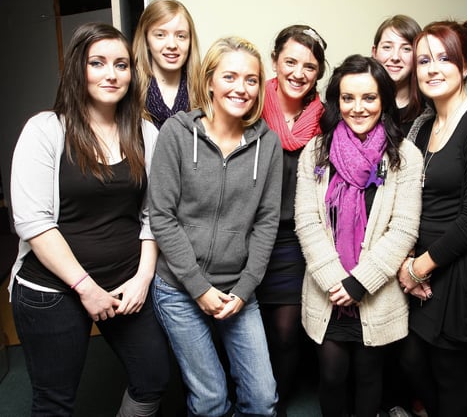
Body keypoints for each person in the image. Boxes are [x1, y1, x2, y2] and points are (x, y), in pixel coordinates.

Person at [9, 22, 170, 416]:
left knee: (153, 379)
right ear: (78, 69)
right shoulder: (46, 130)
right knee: (55, 401)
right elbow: (34, 223)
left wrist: (143, 278)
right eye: (97, 63)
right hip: (53, 291)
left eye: (121, 64)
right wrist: (86, 288)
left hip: (125, 285)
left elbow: (154, 213)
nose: (111, 74)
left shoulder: (145, 132)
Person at [149, 36, 283, 417]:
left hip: (239, 289)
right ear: (209, 81)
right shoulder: (176, 133)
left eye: (252, 79)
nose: (241, 88)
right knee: (209, 402)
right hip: (179, 289)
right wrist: (198, 287)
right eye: (230, 76)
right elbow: (162, 215)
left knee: (262, 401)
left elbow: (266, 221)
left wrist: (244, 289)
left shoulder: (267, 144)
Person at [295, 54, 423, 417]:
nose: (358, 107)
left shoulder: (405, 156)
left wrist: (359, 284)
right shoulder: (316, 152)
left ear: (383, 99)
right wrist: (338, 282)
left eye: (368, 98)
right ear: (336, 100)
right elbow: (307, 221)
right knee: (332, 375)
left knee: (370, 376)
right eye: (348, 98)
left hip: (375, 291)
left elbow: (403, 228)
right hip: (328, 290)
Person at [397, 20, 467, 417]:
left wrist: (419, 268)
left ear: (465, 66)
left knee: (450, 374)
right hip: (423, 265)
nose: (432, 68)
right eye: (424, 59)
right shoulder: (424, 126)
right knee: (410, 360)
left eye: (444, 58)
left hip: (458, 271)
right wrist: (408, 260)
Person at [255, 24, 327, 417]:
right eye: (291, 62)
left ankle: (275, 403)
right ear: (275, 62)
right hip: (247, 235)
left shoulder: (326, 118)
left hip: (295, 238)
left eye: (310, 66)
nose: (299, 73)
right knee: (245, 328)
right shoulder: (250, 104)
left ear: (319, 73)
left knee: (285, 332)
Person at [133, 0, 201, 129]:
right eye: (160, 35)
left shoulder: (204, 90)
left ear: (190, 41)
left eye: (181, 36)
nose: (172, 45)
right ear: (146, 40)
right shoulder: (130, 89)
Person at [372, 14, 433, 142]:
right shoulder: (355, 106)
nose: (395, 57)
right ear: (374, 52)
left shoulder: (432, 111)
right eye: (387, 47)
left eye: (406, 49)